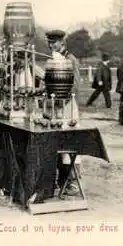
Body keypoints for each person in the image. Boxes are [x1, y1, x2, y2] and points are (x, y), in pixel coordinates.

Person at [45, 29, 81, 196]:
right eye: (49, 42)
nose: (51, 45)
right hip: (55, 106)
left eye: (54, 43)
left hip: (67, 106)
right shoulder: (51, 60)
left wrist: (63, 100)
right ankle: (57, 182)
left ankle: (70, 182)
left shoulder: (70, 60)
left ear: (62, 43)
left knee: (68, 145)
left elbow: (75, 85)